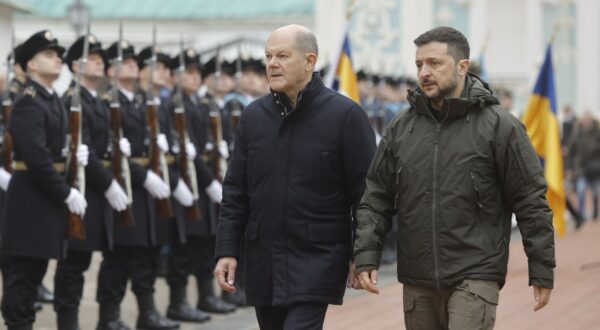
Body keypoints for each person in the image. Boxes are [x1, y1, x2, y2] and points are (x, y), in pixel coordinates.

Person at [354, 26, 556, 330]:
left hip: (476, 273)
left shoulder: (500, 126)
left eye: (435, 63)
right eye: (419, 64)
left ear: (462, 66)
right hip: (418, 277)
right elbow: (377, 194)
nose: (424, 72)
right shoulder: (401, 127)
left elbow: (530, 199)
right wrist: (367, 255)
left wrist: (541, 268)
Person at [214, 24, 375, 329]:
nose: (271, 64)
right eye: (268, 56)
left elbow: (366, 194)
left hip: (318, 256)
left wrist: (363, 252)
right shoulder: (253, 117)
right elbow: (235, 191)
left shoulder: (345, 116)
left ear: (309, 61)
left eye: (282, 56)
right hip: (264, 259)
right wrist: (227, 250)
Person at [0, 29, 89, 330]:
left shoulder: (50, 100)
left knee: (34, 274)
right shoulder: (28, 102)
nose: (57, 59)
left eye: (57, 55)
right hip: (31, 201)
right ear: (31, 64)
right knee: (23, 279)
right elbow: (36, 158)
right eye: (48, 55)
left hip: (44, 200)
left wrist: (75, 156)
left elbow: (55, 148)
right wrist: (65, 192)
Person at [54, 34, 131, 330]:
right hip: (84, 189)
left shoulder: (97, 101)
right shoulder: (70, 100)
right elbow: (83, 147)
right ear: (75, 66)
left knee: (103, 257)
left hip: (97, 191)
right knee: (74, 264)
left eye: (102, 59)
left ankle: (107, 319)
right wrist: (110, 183)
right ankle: (68, 323)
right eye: (93, 59)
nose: (100, 63)